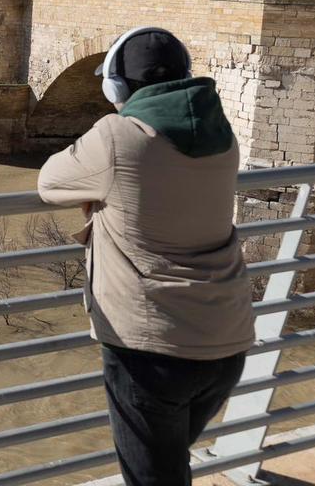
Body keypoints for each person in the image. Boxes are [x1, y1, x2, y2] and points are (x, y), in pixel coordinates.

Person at [37, 27, 254, 485]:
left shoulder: (119, 135)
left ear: (116, 86)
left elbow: (49, 182)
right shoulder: (223, 136)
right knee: (168, 467)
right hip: (225, 341)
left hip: (151, 351)